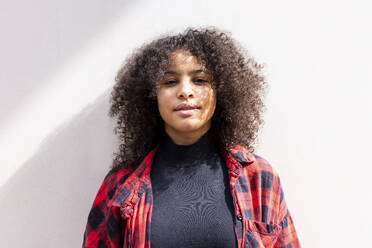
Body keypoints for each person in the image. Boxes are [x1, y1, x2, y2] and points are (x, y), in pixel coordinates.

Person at [82, 27, 300, 248]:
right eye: (170, 82)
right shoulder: (121, 184)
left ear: (221, 91)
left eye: (200, 80)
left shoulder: (259, 177)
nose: (185, 91)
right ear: (151, 95)